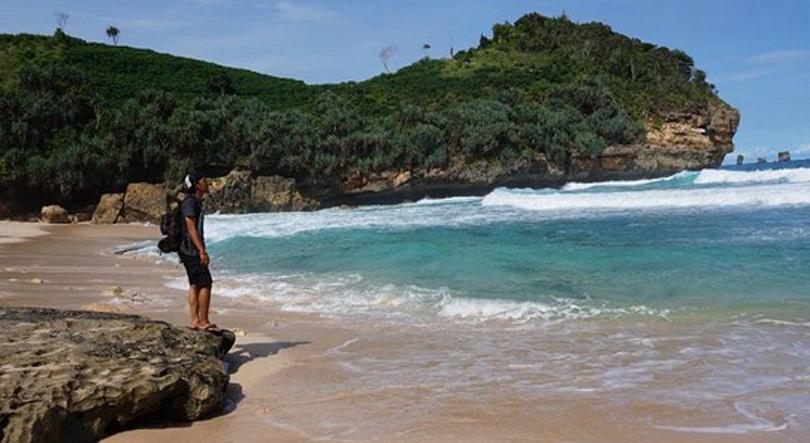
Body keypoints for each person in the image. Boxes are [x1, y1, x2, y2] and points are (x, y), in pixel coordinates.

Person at [178, 171, 219, 332]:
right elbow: (190, 227)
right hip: (191, 250)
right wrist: (201, 250)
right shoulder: (190, 202)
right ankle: (202, 320)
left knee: (195, 284)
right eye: (204, 180)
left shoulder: (193, 202)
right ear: (197, 185)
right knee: (205, 283)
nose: (206, 183)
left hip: (187, 249)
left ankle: (196, 321)